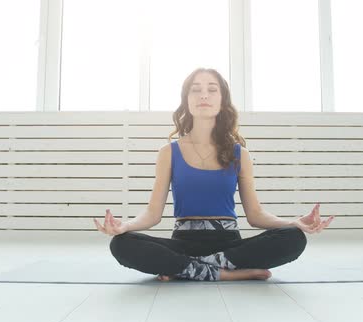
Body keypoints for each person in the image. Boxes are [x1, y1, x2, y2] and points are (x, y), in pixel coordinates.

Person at [94, 68, 335, 282]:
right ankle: (224, 273)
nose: (203, 95)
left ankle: (188, 270)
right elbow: (152, 214)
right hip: (183, 244)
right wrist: (125, 226)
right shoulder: (168, 153)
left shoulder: (240, 154)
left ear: (222, 100)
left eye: (212, 89)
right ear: (186, 100)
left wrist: (293, 223)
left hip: (230, 244)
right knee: (121, 244)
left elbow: (255, 215)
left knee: (294, 238)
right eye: (195, 90)